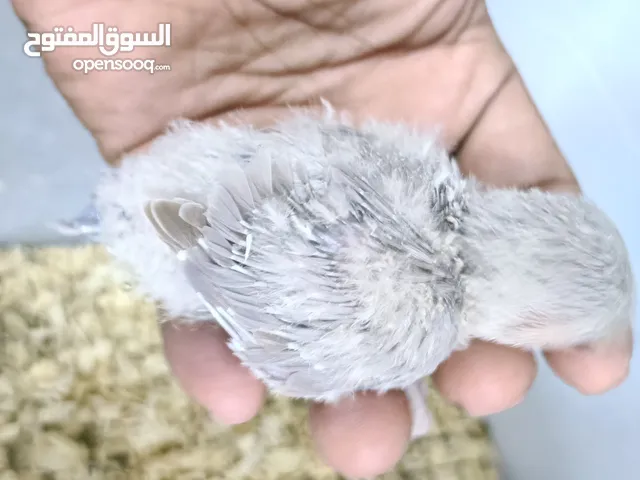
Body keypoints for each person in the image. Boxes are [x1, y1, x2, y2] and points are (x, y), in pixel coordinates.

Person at [12, 0, 632, 477]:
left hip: (193, 176)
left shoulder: (425, 172)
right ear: (527, 321)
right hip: (179, 233)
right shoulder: (407, 333)